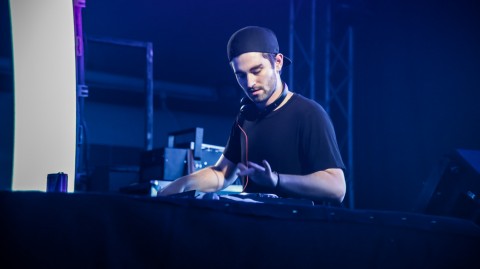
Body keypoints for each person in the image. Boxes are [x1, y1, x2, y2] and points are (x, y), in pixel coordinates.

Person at [158, 26, 346, 204]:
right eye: (240, 75)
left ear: (278, 62)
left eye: (257, 71)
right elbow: (223, 174)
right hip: (254, 228)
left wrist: (276, 180)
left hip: (296, 229)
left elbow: (336, 188)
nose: (249, 83)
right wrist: (181, 184)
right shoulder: (245, 116)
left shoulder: (308, 113)